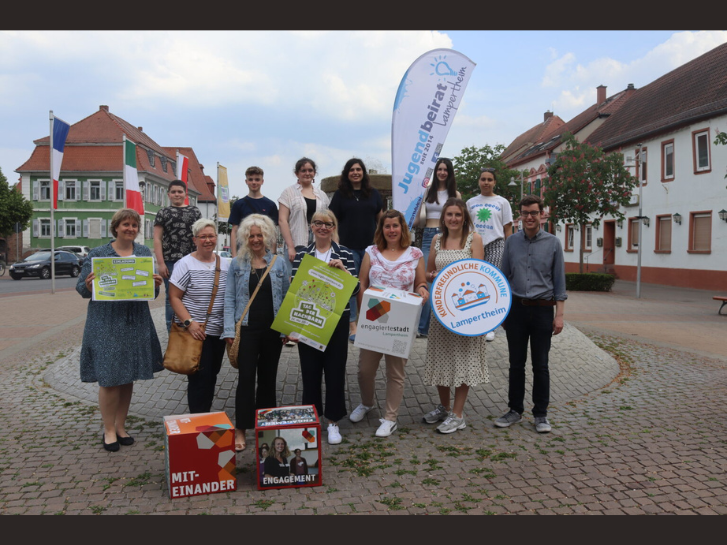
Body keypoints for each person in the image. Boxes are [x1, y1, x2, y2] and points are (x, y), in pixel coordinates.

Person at [76, 208, 164, 452]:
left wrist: (156, 285)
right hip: (106, 322)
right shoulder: (99, 254)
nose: (130, 229)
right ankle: (108, 429)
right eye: (125, 224)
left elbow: (151, 293)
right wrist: (88, 285)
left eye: (134, 225)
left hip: (135, 321)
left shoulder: (144, 253)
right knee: (109, 377)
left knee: (128, 376)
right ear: (115, 227)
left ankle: (121, 426)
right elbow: (82, 290)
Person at [349, 209, 429, 437]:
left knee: (396, 372)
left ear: (402, 228)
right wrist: (363, 312)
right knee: (365, 370)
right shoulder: (371, 252)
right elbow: (362, 283)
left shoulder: (414, 254)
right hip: (375, 316)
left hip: (400, 321)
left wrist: (422, 289)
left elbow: (421, 282)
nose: (392, 230)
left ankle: (390, 417)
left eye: (396, 226)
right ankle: (366, 403)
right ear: (381, 229)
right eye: (387, 226)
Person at [495, 195, 567, 434]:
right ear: (520, 215)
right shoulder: (511, 243)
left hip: (543, 311)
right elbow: (502, 279)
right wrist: (502, 313)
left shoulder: (554, 243)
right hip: (516, 310)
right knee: (516, 364)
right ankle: (514, 410)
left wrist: (560, 315)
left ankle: (541, 414)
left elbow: (559, 282)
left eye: (533, 213)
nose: (529, 217)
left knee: (541, 365)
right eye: (525, 213)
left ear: (541, 214)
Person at [223, 214, 291, 452]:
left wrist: (285, 328)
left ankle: (266, 428)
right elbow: (229, 298)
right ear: (245, 238)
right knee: (245, 379)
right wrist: (228, 330)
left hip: (272, 331)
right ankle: (241, 428)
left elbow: (285, 298)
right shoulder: (236, 264)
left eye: (259, 235)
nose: (255, 239)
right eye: (251, 235)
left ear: (267, 237)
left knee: (268, 379)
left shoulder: (279, 263)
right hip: (247, 331)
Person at [290, 209, 359, 445]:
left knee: (335, 371)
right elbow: (293, 292)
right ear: (311, 226)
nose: (322, 227)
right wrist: (293, 327)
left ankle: (333, 421)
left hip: (337, 319)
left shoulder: (345, 254)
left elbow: (356, 289)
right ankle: (311, 420)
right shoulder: (302, 255)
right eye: (318, 223)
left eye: (328, 224)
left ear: (333, 228)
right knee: (309, 372)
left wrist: (345, 273)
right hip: (309, 319)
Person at [421, 199, 487, 434]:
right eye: (449, 214)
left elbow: (480, 273)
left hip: (466, 311)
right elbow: (428, 274)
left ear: (464, 216)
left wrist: (452, 276)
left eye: (458, 214)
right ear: (443, 217)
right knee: (441, 358)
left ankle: (458, 415)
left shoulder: (474, 239)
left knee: (463, 360)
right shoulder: (437, 240)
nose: (453, 219)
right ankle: (445, 407)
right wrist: (433, 275)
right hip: (441, 312)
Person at [168, 219, 230, 416]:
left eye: (211, 236)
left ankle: (204, 414)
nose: (207, 240)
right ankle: (198, 419)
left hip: (218, 333)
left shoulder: (225, 264)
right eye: (203, 236)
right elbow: (174, 297)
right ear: (195, 239)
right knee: (199, 378)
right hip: (196, 332)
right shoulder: (185, 264)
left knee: (212, 375)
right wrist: (189, 323)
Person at [329, 158, 383, 342]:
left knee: (372, 286)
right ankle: (353, 326)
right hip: (348, 248)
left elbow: (381, 221)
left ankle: (373, 323)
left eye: (359, 169)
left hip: (370, 249)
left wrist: (381, 244)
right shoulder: (340, 195)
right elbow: (332, 221)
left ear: (363, 172)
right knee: (352, 287)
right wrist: (336, 246)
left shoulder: (373, 194)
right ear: (347, 173)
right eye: (352, 170)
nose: (355, 172)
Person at [416, 158, 461, 339]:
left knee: (447, 279)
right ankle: (423, 327)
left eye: (445, 170)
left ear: (449, 172)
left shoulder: (455, 194)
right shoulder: (427, 191)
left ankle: (447, 322)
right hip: (428, 235)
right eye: (439, 169)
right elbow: (418, 220)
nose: (442, 172)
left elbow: (459, 218)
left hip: (447, 236)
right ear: (436, 172)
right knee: (427, 280)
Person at [466, 167, 513, 342]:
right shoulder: (470, 202)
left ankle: (489, 325)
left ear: (494, 182)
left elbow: (508, 228)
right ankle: (473, 319)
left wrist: (509, 249)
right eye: (483, 179)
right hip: (474, 245)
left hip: (495, 245)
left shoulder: (502, 202)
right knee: (475, 282)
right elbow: (467, 227)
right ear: (479, 181)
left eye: (489, 179)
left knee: (491, 283)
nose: (486, 182)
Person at [154, 180, 202, 332]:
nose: (177, 194)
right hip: (170, 262)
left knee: (193, 294)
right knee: (171, 298)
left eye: (180, 191)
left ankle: (192, 327)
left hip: (192, 260)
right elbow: (157, 238)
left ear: (185, 194)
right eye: (173, 192)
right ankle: (172, 331)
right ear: (168, 194)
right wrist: (160, 263)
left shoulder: (195, 212)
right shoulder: (163, 213)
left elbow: (200, 236)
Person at [278, 157, 330, 279]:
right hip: (297, 243)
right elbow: (282, 220)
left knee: (314, 282)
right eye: (303, 170)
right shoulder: (288, 192)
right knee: (293, 281)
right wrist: (290, 247)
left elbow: (328, 220)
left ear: (314, 173)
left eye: (310, 170)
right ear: (297, 173)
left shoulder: (322, 195)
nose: (307, 173)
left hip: (318, 244)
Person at [229, 166, 279, 258]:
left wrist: (273, 253)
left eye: (257, 179)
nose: (254, 182)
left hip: (265, 252)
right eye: (250, 179)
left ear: (262, 181)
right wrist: (234, 255)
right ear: (246, 181)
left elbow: (273, 232)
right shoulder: (238, 204)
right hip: (244, 252)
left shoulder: (270, 205)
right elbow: (234, 231)